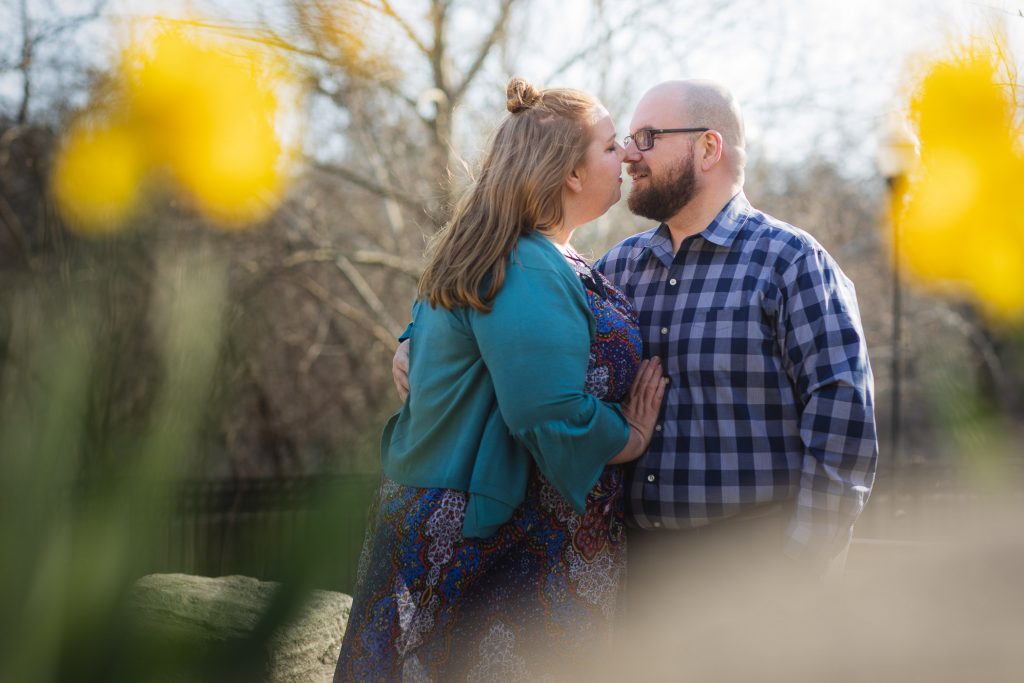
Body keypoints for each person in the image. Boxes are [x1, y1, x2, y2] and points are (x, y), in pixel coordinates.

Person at [394, 79, 878, 602]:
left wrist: (800, 563)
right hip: (634, 572)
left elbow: (842, 419)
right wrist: (415, 337)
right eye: (623, 140)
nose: (629, 155)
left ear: (707, 147)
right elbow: (512, 321)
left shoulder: (791, 262)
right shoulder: (615, 269)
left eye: (647, 137)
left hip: (752, 566)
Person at [335, 78, 666, 682]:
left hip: (473, 535)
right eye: (612, 146)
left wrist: (410, 344)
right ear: (570, 173)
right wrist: (632, 435)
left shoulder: (524, 252)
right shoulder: (529, 262)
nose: (626, 157)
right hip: (496, 547)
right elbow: (547, 411)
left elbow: (459, 335)